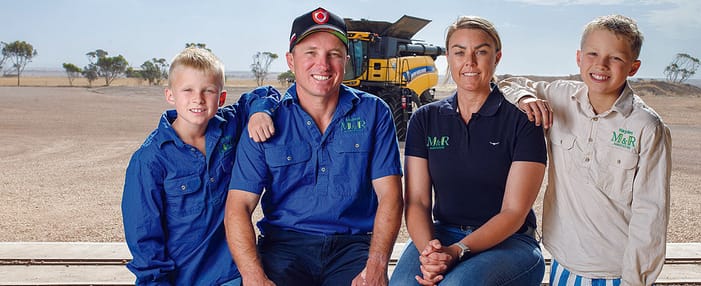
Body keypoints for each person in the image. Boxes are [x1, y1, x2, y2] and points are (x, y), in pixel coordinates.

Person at [224, 7, 403, 286]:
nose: (323, 64)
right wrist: (253, 276)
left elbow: (390, 196)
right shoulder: (263, 121)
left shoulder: (374, 112)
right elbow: (238, 206)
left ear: (346, 60)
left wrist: (377, 266)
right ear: (291, 60)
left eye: (333, 54)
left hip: (352, 247)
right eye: (311, 53)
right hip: (284, 247)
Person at [499, 14, 672, 285]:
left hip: (615, 270)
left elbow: (651, 213)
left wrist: (635, 280)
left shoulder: (646, 127)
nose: (601, 64)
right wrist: (525, 97)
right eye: (592, 53)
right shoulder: (559, 96)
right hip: (563, 261)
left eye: (615, 57)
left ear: (633, 67)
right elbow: (506, 83)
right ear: (579, 58)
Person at [389, 15, 547, 286]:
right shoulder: (425, 119)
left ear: (497, 57)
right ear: (448, 58)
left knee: (457, 284)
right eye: (459, 52)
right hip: (442, 235)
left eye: (481, 52)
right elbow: (417, 201)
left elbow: (513, 212)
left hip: (511, 243)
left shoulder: (523, 120)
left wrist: (458, 251)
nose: (469, 62)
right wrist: (431, 253)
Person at [121, 47, 280, 285]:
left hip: (232, 274)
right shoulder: (149, 159)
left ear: (221, 98)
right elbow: (144, 238)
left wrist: (259, 113)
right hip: (183, 278)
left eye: (208, 91)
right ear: (170, 95)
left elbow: (265, 93)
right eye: (188, 90)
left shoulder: (229, 127)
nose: (198, 99)